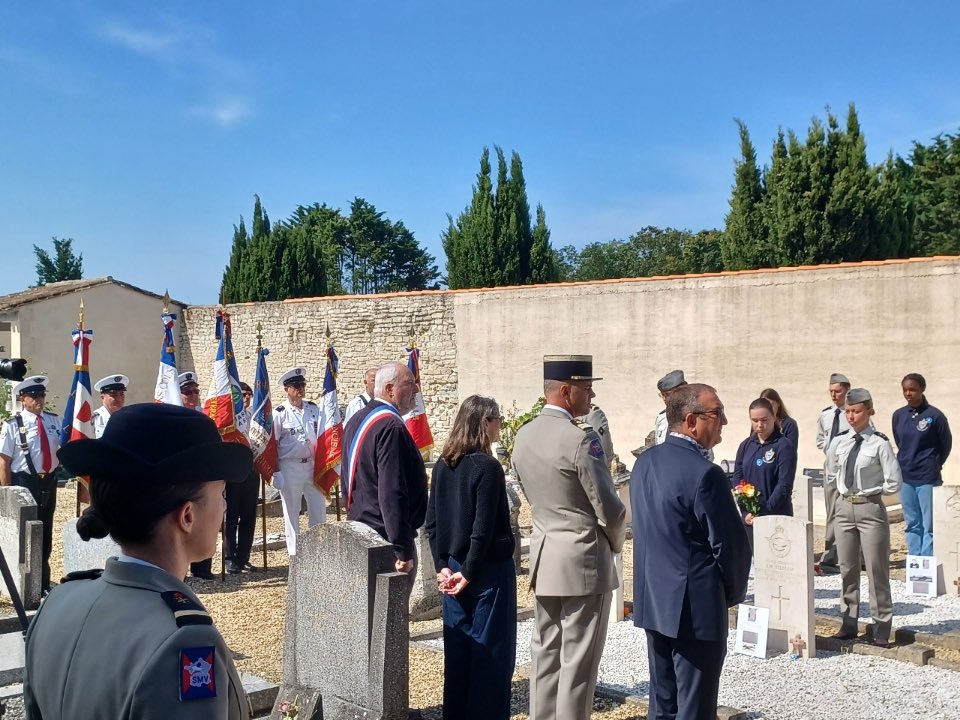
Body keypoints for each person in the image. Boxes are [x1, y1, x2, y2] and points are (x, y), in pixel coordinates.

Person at [24, 403, 253, 719]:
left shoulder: (59, 600)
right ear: (187, 515)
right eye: (221, 494)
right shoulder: (183, 640)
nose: (225, 509)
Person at [511, 355, 625, 720]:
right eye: (586, 387)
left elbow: (533, 496)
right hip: (583, 559)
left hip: (545, 557)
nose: (591, 394)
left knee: (545, 652)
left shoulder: (523, 435)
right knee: (578, 661)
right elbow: (609, 507)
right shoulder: (581, 440)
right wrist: (616, 542)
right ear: (565, 391)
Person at [631, 383, 751, 720]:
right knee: (695, 708)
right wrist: (728, 593)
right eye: (717, 413)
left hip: (655, 601)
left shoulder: (644, 463)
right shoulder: (705, 474)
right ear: (691, 421)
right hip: (695, 608)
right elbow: (730, 546)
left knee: (663, 703)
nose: (724, 421)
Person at [425, 395, 517, 720]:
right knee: (491, 659)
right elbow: (483, 528)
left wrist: (441, 566)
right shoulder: (487, 467)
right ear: (484, 423)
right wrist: (468, 570)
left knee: (459, 657)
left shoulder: (442, 464)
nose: (500, 427)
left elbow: (432, 524)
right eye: (497, 421)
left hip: (452, 569)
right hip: (485, 573)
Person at [826, 388, 902, 647]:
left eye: (856, 411)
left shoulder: (879, 443)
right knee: (847, 568)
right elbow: (832, 471)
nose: (850, 416)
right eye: (847, 411)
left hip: (870, 508)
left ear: (869, 411)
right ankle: (848, 623)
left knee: (876, 568)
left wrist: (873, 490)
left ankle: (881, 627)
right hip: (845, 507)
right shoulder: (840, 441)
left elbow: (894, 481)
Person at [342, 362, 427, 582]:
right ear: (390, 390)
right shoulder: (391, 427)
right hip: (385, 540)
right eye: (409, 383)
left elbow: (347, 481)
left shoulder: (356, 420)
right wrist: (402, 548)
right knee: (389, 613)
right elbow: (392, 490)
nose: (416, 390)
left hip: (360, 531)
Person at [0, 375, 61, 595]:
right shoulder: (13, 425)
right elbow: (4, 461)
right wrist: (7, 492)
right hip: (24, 482)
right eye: (33, 396)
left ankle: (43, 582)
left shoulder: (54, 421)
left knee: (45, 531)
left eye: (41, 395)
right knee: (25, 533)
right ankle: (22, 583)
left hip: (49, 481)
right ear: (22, 399)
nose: (39, 400)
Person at [892, 373, 952, 557]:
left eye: (912, 389)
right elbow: (899, 441)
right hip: (906, 477)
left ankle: (926, 563)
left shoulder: (935, 416)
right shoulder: (899, 415)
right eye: (905, 390)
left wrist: (933, 464)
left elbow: (945, 445)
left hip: (927, 477)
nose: (908, 393)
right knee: (912, 523)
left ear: (922, 389)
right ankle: (915, 560)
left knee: (929, 523)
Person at [273, 367, 328, 556]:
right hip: (290, 465)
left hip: (312, 464)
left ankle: (318, 550)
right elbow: (273, 444)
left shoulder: (313, 408)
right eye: (295, 386)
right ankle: (295, 553)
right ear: (286, 389)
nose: (300, 389)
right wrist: (275, 471)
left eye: (302, 385)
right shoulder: (280, 413)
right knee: (291, 510)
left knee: (318, 506)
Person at [733, 398, 798, 546]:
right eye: (755, 420)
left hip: (776, 516)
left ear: (774, 417)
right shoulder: (746, 445)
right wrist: (745, 511)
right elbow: (737, 478)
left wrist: (763, 513)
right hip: (750, 519)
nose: (759, 425)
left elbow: (784, 484)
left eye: (764, 420)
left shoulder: (784, 446)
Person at [178, 371, 216, 580]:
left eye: (195, 391)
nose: (193, 395)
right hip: (180, 476)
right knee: (179, 522)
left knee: (202, 519)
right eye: (187, 392)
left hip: (201, 473)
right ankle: (179, 566)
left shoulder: (206, 415)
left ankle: (202, 567)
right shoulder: (172, 416)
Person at [815, 372, 852, 568]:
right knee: (831, 512)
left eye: (837, 391)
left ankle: (855, 556)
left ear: (847, 390)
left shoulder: (853, 412)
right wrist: (829, 451)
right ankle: (830, 554)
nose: (834, 395)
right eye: (831, 391)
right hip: (831, 468)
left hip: (849, 469)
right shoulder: (826, 414)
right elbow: (820, 438)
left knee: (851, 512)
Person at [224, 382, 261, 574]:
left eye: (249, 395)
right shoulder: (230, 419)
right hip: (233, 473)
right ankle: (229, 558)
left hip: (252, 472)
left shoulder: (254, 418)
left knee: (248, 517)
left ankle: (243, 557)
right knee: (231, 517)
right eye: (244, 394)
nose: (247, 398)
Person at [654, 370, 686, 445]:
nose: (664, 399)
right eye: (662, 395)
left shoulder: (695, 415)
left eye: (667, 395)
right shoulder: (662, 417)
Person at [92, 374, 129, 438]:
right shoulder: (95, 419)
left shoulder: (129, 418)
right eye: (113, 395)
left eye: (122, 394)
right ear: (102, 398)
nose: (119, 399)